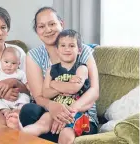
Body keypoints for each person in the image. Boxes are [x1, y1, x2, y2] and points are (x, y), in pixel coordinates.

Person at [19, 7, 99, 144]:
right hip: (49, 110)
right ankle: (17, 133)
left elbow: (94, 91)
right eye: (41, 26)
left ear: (61, 24)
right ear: (37, 31)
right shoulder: (35, 56)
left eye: (52, 24)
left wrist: (69, 111)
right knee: (29, 111)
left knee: (66, 131)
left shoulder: (82, 51)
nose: (48, 29)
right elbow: (39, 95)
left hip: (80, 111)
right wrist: (53, 107)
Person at [0, 47, 30, 129]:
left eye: (13, 63)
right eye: (6, 62)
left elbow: (27, 85)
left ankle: (19, 109)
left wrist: (29, 86)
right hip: (2, 100)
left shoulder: (20, 73)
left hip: (17, 98)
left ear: (19, 64)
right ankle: (5, 110)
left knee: (25, 97)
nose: (9, 65)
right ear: (0, 61)